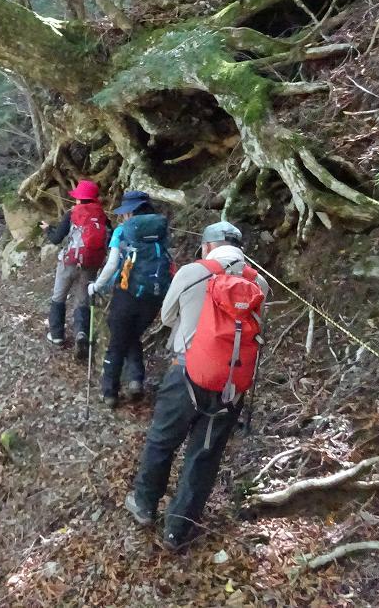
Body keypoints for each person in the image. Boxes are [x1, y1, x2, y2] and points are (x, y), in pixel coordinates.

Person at [123, 221, 269, 551]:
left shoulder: (191, 272)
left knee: (162, 440)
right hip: (231, 385)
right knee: (204, 455)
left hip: (185, 373)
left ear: (207, 246)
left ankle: (145, 505)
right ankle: (178, 530)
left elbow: (165, 317)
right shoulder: (258, 283)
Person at [88, 191, 172, 409]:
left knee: (117, 342)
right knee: (132, 335)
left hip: (127, 294)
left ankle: (110, 393)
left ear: (131, 212)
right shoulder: (161, 229)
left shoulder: (122, 231)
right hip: (154, 295)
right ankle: (135, 380)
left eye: (125, 212)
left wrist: (96, 285)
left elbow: (112, 264)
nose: (123, 217)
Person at [40, 180, 109, 360]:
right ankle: (81, 334)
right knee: (82, 300)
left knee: (58, 296)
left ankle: (56, 335)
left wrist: (47, 229)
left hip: (69, 262)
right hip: (91, 264)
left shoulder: (72, 214)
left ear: (79, 199)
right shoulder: (102, 215)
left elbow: (56, 239)